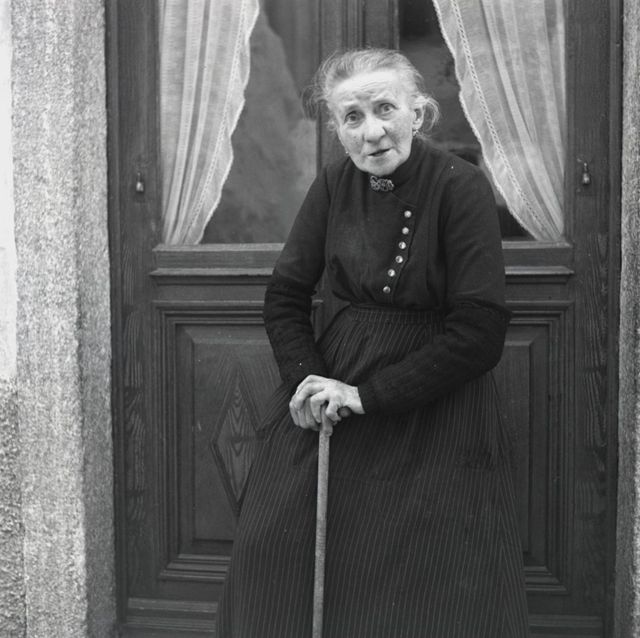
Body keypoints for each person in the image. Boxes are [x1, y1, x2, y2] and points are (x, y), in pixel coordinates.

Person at [217, 48, 529, 637]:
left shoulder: (459, 186)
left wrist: (368, 395)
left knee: (421, 581)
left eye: (385, 109)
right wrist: (307, 380)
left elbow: (480, 331)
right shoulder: (334, 184)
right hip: (334, 388)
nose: (372, 132)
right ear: (336, 129)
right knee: (272, 549)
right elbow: (285, 296)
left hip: (433, 401)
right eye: (352, 117)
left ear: (418, 111)